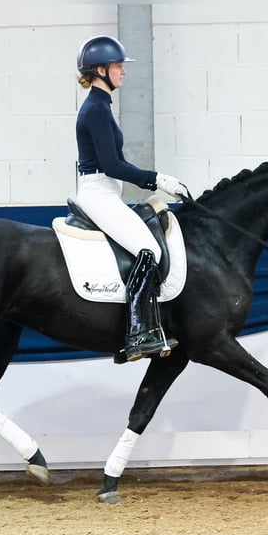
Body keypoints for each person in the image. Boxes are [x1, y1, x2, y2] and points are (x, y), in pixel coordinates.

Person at [74, 34, 184, 362]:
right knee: (147, 251)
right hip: (98, 193)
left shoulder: (101, 105)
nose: (124, 72)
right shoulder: (95, 108)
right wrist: (157, 179)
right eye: (118, 66)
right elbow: (111, 165)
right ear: (100, 70)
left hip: (106, 192)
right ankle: (138, 334)